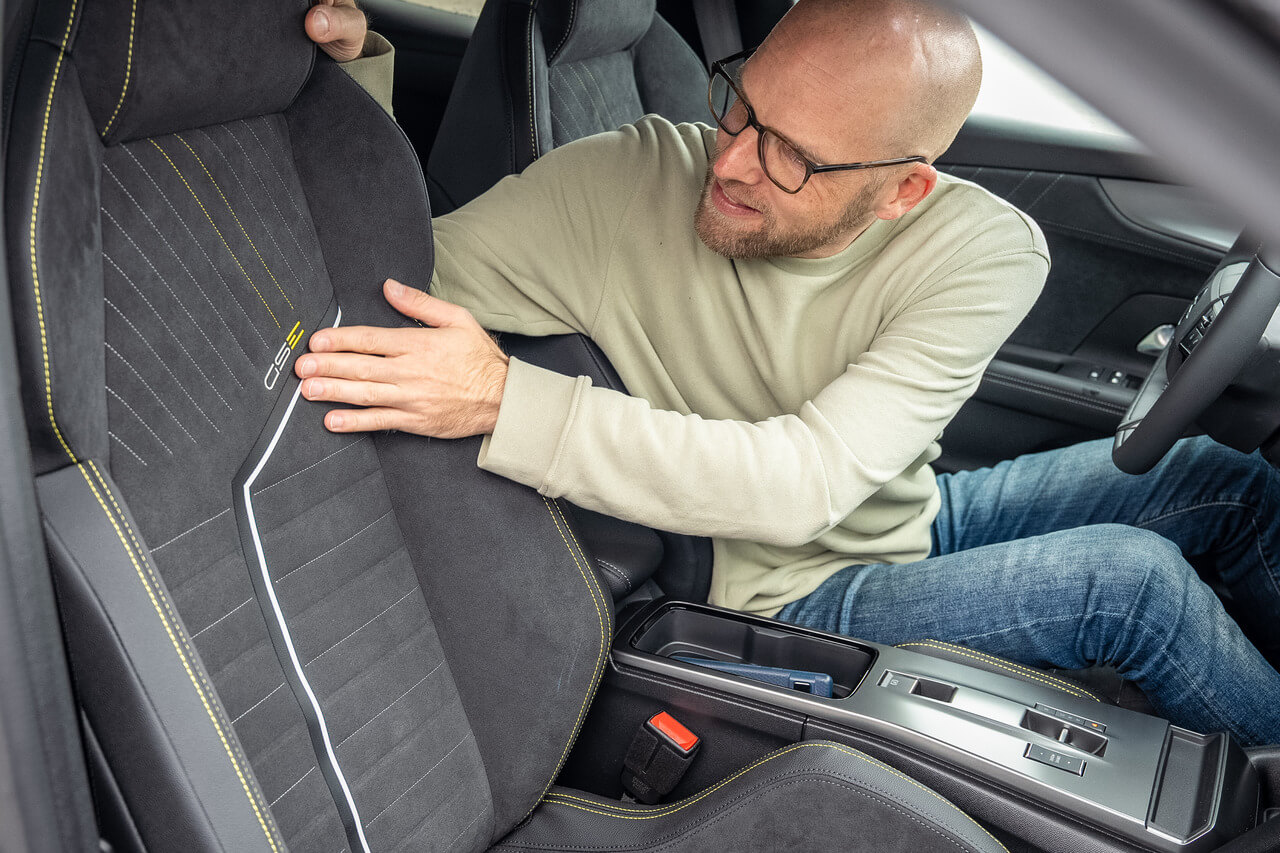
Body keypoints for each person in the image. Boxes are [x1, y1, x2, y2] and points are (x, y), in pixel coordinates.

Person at [302, 0, 1280, 745]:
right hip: (780, 591)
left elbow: (810, 478)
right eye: (741, 107)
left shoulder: (984, 250)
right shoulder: (622, 184)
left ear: (902, 190)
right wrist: (343, 88)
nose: (730, 162)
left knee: (1215, 478)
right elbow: (377, 277)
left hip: (895, 519)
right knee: (1133, 584)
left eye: (792, 159)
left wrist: (505, 398)